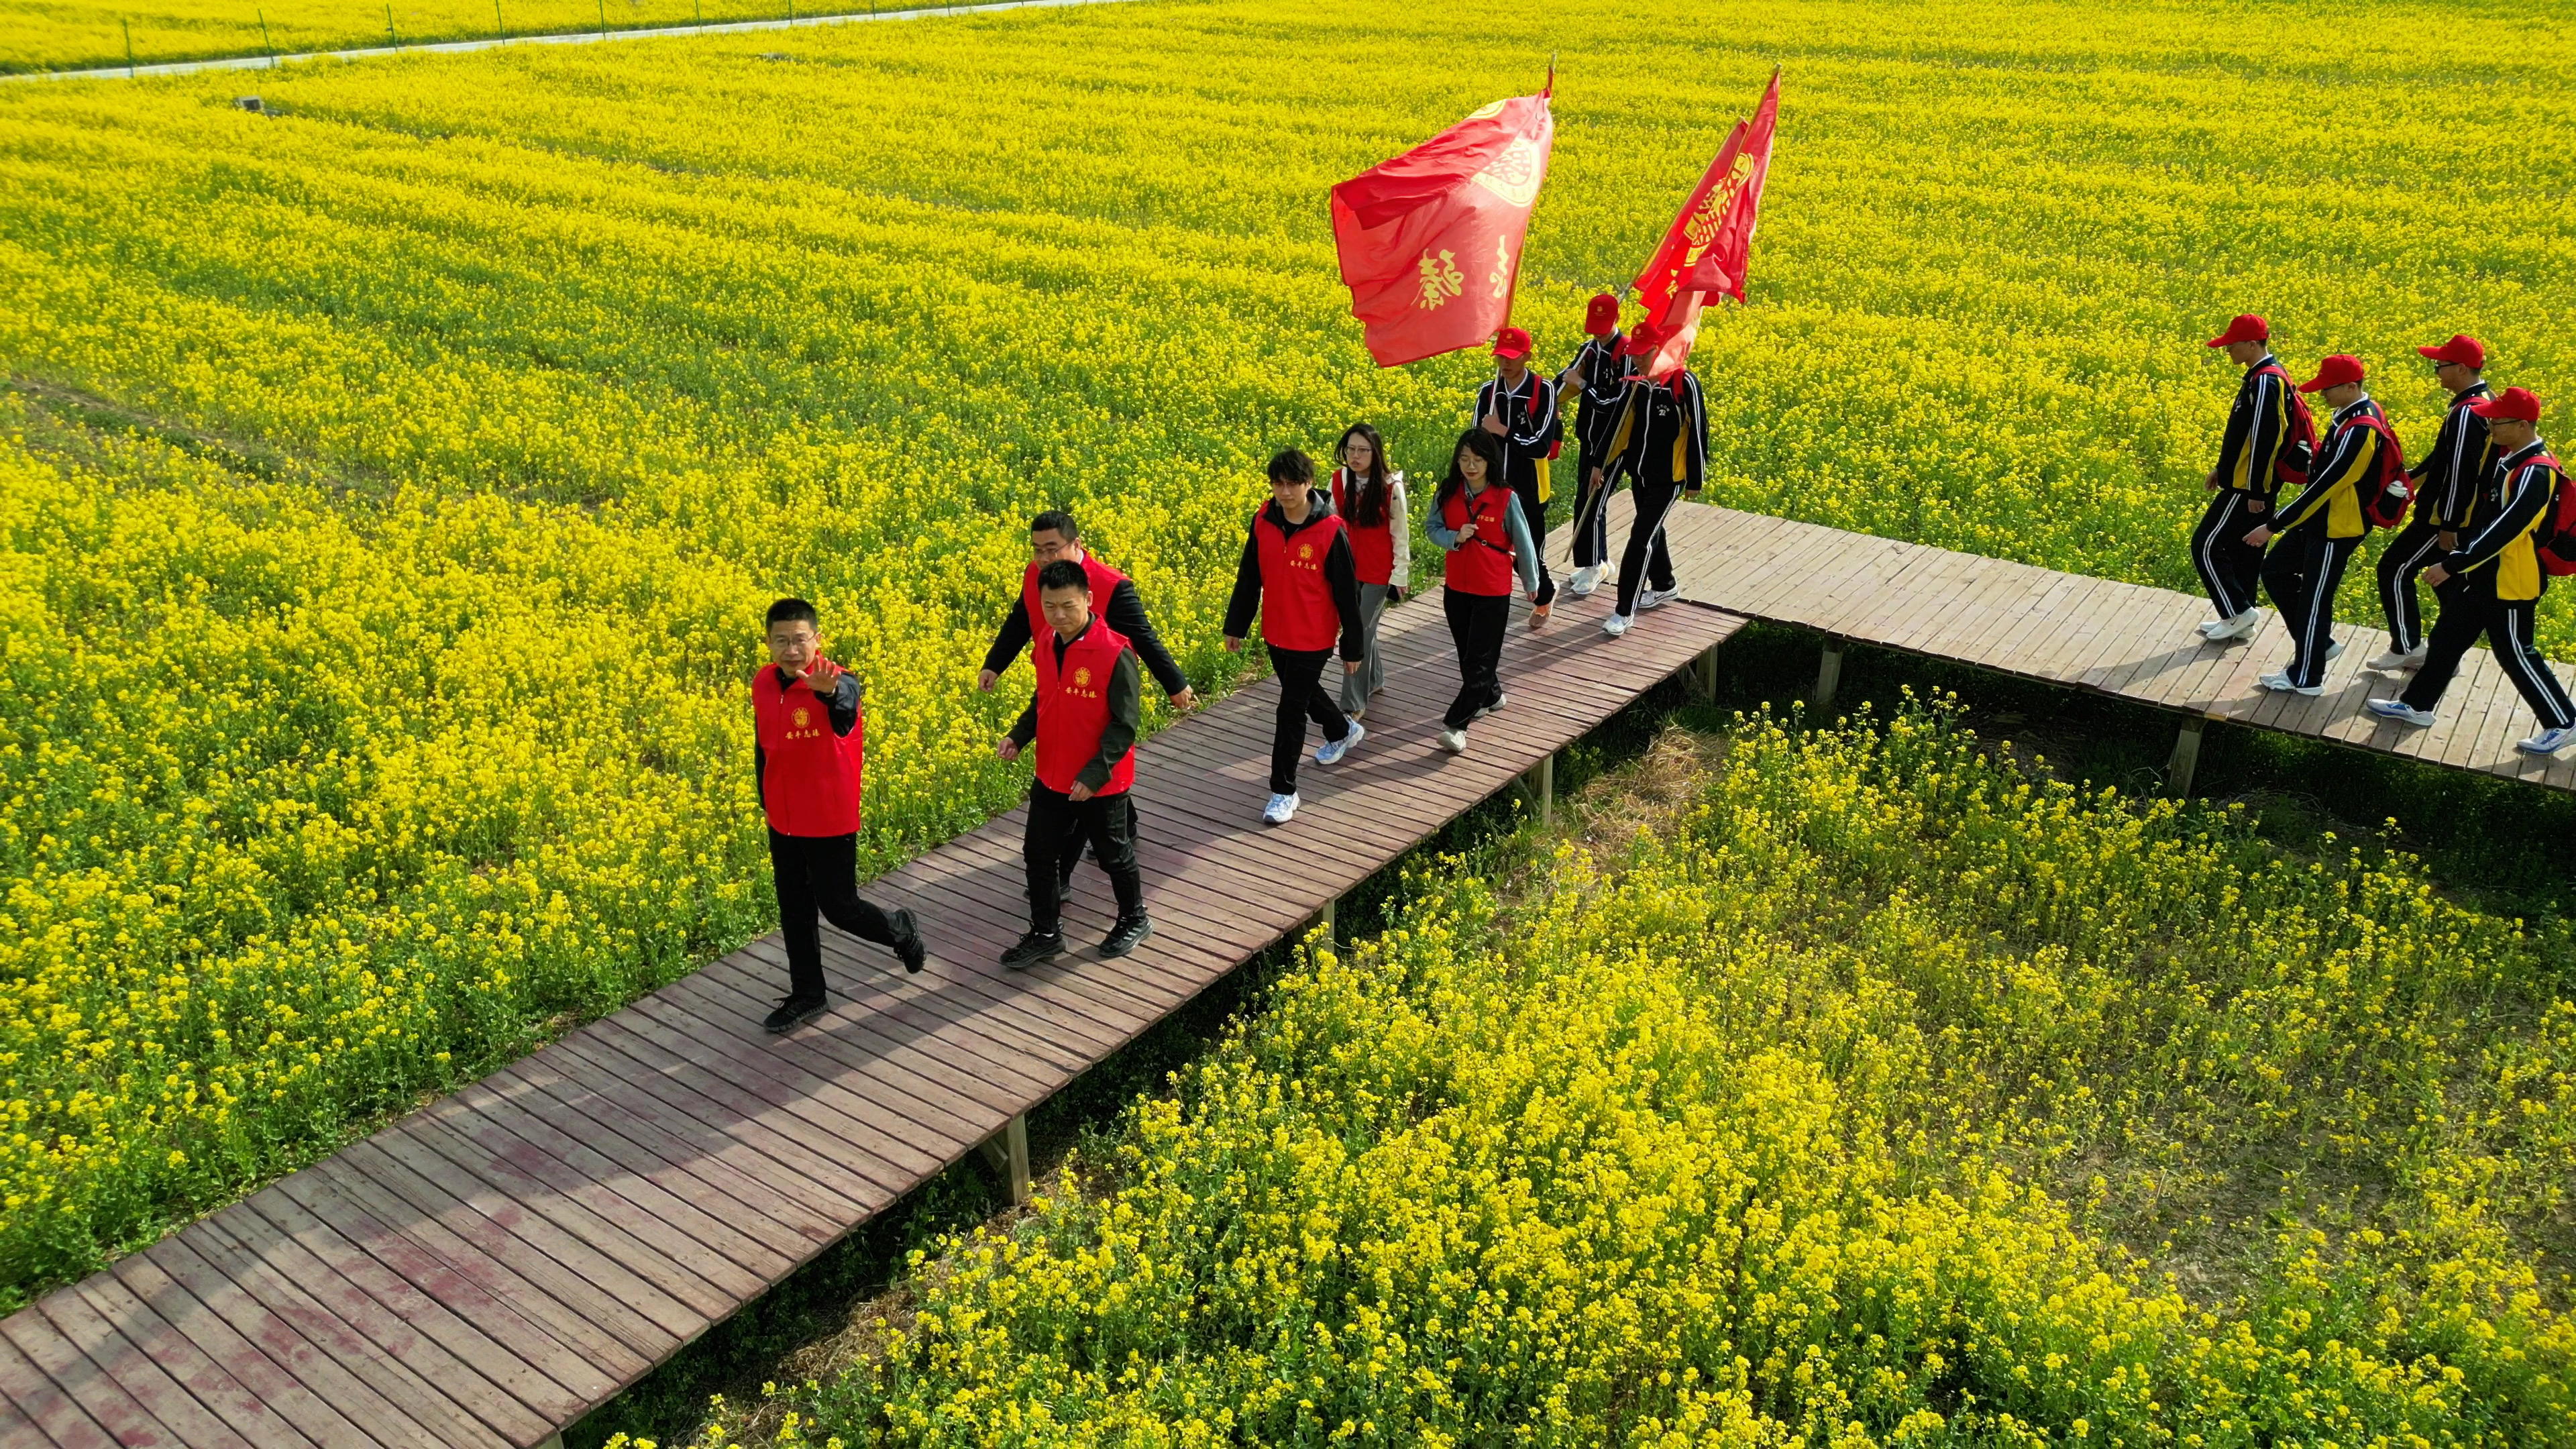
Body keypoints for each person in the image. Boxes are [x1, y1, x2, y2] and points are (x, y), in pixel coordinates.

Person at [2369, 387, 2575, 756]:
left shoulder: (2536, 471)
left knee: (2516, 653)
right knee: (2447, 638)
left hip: (2510, 580)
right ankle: (2417, 705)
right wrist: (2465, 565)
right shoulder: (2511, 460)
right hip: (2484, 575)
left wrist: (2452, 564)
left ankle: (2564, 721)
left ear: (2523, 425)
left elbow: (2506, 530)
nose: (2490, 427)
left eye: (2498, 422)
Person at [751, 598, 924, 1034]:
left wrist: (828, 692)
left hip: (827, 818)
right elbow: (763, 743)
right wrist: (765, 797)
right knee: (794, 909)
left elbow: (844, 709)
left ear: (817, 639)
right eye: (781, 641)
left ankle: (900, 930)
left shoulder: (839, 682)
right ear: (769, 643)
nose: (792, 650)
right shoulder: (764, 683)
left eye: (800, 639)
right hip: (783, 819)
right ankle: (809, 994)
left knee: (840, 908)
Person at [996, 560, 1152, 968]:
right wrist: (1018, 736)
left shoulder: (1115, 652)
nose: (1059, 615)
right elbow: (1045, 699)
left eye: (1068, 605)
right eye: (1050, 607)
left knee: (1113, 853)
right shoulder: (1047, 642)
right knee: (1038, 854)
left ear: (1088, 599)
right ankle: (1046, 933)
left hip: (1101, 780)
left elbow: (1125, 724)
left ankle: (1134, 918)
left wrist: (1094, 774)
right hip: (1052, 773)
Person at [1222, 449, 1367, 825]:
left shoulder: (1330, 530)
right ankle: (1341, 729)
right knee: (1302, 693)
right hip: (1276, 631)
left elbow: (1347, 595)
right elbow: (1249, 576)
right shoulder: (1263, 520)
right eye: (1278, 484)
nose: (1285, 492)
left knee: (1290, 710)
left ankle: (1283, 791)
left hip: (1314, 636)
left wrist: (1352, 646)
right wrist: (1236, 625)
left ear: (1308, 483)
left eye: (1293, 484)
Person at [2245, 354, 2392, 695]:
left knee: (2315, 600)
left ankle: (2307, 677)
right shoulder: (2350, 414)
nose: (2322, 394)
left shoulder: (2362, 430)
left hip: (2337, 527)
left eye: (2328, 388)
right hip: (2319, 520)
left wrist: (2273, 525)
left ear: (2351, 387)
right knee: (2275, 571)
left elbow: (2327, 486)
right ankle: (2319, 644)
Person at [977, 509, 1195, 712]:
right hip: (1054, 679)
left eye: (1052, 550)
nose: (1044, 559)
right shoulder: (1035, 574)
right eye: (1038, 550)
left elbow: (1142, 636)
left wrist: (1175, 684)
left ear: (1076, 545)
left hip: (1100, 689)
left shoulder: (1111, 585)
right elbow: (1020, 621)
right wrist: (994, 665)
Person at [2371, 335, 2496, 670]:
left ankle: (2406, 646)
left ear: (2462, 368)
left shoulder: (2467, 414)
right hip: (2465, 516)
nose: (2436, 372)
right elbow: (2444, 458)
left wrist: (2449, 525)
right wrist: (2408, 480)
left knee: (2394, 568)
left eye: (2440, 366)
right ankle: (2445, 655)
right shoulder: (2485, 401)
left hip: (2445, 518)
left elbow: (2461, 472)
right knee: (2449, 584)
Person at [1427, 430, 1544, 754]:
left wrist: (1531, 583)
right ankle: (1491, 696)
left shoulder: (1506, 497)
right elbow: (1432, 528)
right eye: (1464, 459)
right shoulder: (1447, 492)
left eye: (1477, 460)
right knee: (1468, 654)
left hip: (1493, 590)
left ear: (1490, 462)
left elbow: (1524, 542)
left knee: (1479, 660)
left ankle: (1457, 726)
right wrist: (1454, 537)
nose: (1470, 466)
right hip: (1456, 588)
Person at [2195, 314, 2310, 642]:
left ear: (2251, 344)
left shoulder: (2266, 382)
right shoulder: (2262, 377)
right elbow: (2244, 434)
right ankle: (2241, 617)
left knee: (2205, 546)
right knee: (2244, 551)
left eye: (2232, 345)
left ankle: (2237, 612)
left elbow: (2265, 438)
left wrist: (2257, 490)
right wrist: (2223, 467)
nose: (2227, 350)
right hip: (2248, 482)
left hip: (2248, 487)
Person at [1592, 322, 1708, 638]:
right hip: (1640, 474)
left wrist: (1695, 479)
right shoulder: (1637, 383)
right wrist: (1599, 464)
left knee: (1640, 538)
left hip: (1669, 478)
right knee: (1653, 529)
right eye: (1635, 354)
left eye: (1645, 354)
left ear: (1661, 350)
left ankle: (1623, 611)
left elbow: (1699, 431)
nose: (1639, 360)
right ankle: (1664, 584)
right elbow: (1619, 425)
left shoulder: (1684, 383)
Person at [1472, 326, 1562, 609]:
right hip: (1494, 486)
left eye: (1512, 357)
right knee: (1495, 547)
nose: (1505, 363)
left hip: (1530, 487)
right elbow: (1476, 441)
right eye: (1501, 356)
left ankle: (1544, 597)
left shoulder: (1543, 390)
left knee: (1530, 552)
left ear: (1527, 356)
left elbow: (1541, 446)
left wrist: (1502, 430)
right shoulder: (1489, 392)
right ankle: (1497, 600)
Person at [1328, 423, 1410, 719]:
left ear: (1376, 453)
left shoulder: (1391, 487)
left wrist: (1400, 574)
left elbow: (1401, 534)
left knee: (1358, 633)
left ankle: (1353, 703)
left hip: (1378, 573)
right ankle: (1374, 680)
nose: (1355, 456)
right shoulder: (1339, 480)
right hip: (1348, 570)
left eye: (1363, 450)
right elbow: (1331, 524)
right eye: (1351, 449)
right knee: (1365, 628)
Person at [1554, 292, 1631, 596]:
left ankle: (1593, 565)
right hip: (1588, 438)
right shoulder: (1588, 349)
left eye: (1603, 327)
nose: (1598, 334)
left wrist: (1584, 385)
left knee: (1591, 502)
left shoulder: (1626, 354)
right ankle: (1599, 559)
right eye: (1594, 327)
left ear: (1617, 320)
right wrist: (1551, 399)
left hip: (1612, 443)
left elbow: (1614, 402)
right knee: (1586, 500)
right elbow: (1565, 378)